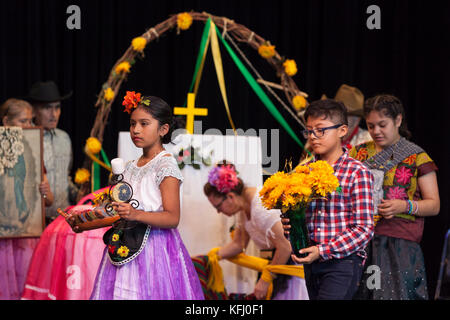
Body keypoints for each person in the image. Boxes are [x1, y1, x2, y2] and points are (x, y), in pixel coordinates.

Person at [73, 91, 203, 300]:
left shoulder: (165, 165)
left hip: (154, 250)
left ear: (163, 129)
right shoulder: (130, 167)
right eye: (133, 124)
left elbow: (172, 218)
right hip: (124, 244)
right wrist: (85, 222)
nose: (136, 130)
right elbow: (118, 211)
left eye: (144, 124)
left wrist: (135, 214)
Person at [350, 94, 440, 300]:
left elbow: (434, 205)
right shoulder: (357, 154)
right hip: (360, 241)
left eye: (382, 125)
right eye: (371, 126)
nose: (376, 131)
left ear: (398, 120)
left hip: (399, 247)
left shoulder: (417, 156)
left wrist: (404, 206)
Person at [283, 99, 374, 300]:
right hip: (311, 261)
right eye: (309, 131)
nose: (313, 137)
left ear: (342, 130)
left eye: (321, 130)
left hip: (342, 262)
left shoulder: (357, 172)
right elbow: (299, 219)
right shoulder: (302, 172)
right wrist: (290, 224)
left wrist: (323, 250)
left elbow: (364, 228)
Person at [203, 162, 309, 300]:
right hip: (276, 267)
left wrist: (265, 279)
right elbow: (238, 245)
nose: (218, 212)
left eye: (218, 206)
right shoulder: (244, 207)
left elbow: (285, 246)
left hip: (291, 269)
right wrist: (209, 257)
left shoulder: (260, 206)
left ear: (230, 196)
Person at [0, 98, 54, 299]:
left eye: (31, 121)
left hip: (26, 236)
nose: (29, 126)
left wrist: (45, 190)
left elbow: (49, 201)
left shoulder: (33, 150)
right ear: (7, 122)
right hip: (3, 237)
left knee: (25, 283)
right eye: (23, 121)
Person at [26, 81, 78, 225]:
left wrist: (78, 194)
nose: (54, 114)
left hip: (63, 220)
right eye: (47, 108)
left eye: (57, 108)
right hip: (36, 222)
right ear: (34, 110)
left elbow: (65, 176)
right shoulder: (26, 139)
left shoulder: (64, 138)